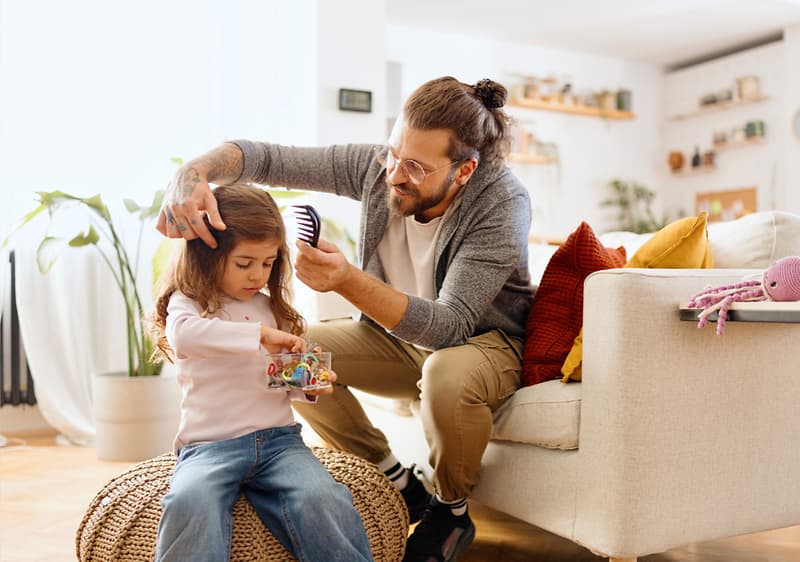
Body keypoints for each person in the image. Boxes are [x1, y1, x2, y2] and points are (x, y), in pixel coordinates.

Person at [157, 76, 534, 562]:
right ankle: (398, 480)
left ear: (463, 172)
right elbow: (267, 159)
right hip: (396, 341)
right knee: (300, 345)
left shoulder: (501, 202)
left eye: (415, 166)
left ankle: (450, 512)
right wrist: (193, 173)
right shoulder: (380, 168)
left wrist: (347, 281)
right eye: (393, 154)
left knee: (445, 372)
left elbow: (449, 328)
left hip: (481, 344)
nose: (395, 174)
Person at [150, 184, 373, 562]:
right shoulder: (188, 305)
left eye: (268, 263)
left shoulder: (273, 309)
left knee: (322, 497)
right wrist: (261, 336)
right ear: (207, 254)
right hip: (209, 447)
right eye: (244, 263)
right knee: (189, 501)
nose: (257, 275)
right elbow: (184, 336)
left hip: (279, 443)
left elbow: (288, 386)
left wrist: (311, 381)